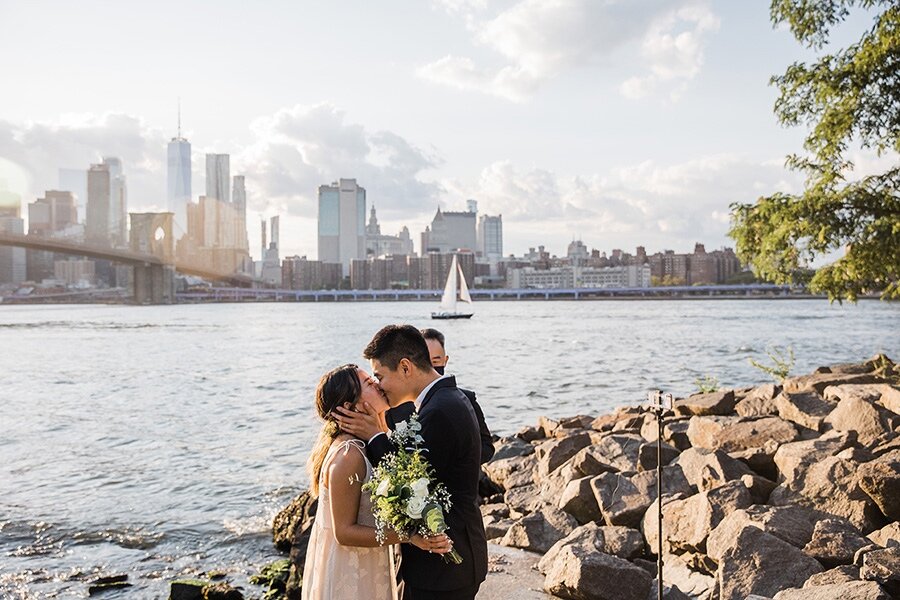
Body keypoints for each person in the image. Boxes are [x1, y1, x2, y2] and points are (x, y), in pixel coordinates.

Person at [335, 325, 488, 600]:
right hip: (452, 561)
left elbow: (411, 486)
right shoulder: (444, 400)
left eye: (380, 376)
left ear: (405, 367)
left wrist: (374, 437)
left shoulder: (439, 411)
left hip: (442, 570)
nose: (378, 385)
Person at [302, 364, 452, 600]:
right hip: (350, 572)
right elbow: (343, 532)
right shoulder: (349, 454)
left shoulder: (369, 442)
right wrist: (410, 536)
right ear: (352, 407)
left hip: (369, 562)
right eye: (369, 383)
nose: (378, 384)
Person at [385, 328, 494, 464]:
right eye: (425, 362)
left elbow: (487, 447)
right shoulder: (396, 407)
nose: (429, 368)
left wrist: (458, 459)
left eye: (435, 362)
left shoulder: (465, 398)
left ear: (445, 360)